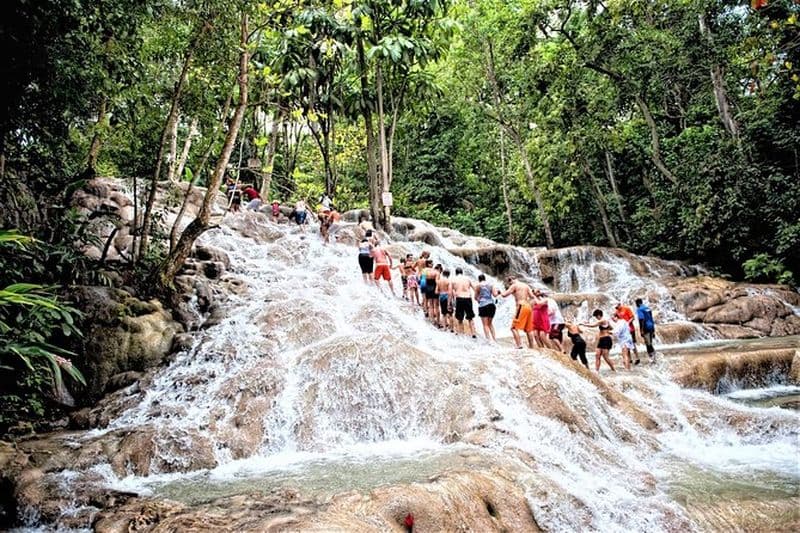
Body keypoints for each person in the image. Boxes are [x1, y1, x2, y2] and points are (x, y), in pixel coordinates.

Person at [501, 276, 535, 349]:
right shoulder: (526, 285)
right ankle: (532, 346)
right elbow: (532, 296)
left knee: (513, 328)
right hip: (528, 306)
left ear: (511, 280)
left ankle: (519, 345)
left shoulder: (514, 285)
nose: (510, 284)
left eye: (510, 283)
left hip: (521, 306)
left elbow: (504, 295)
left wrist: (500, 292)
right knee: (528, 329)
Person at [451, 268, 477, 337]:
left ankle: (462, 334)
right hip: (468, 298)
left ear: (456, 273)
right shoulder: (468, 279)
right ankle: (473, 334)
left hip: (459, 298)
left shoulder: (454, 280)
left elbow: (451, 292)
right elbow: (475, 288)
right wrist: (477, 297)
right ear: (462, 272)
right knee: (470, 318)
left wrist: (450, 301)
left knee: (460, 318)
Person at [474, 274, 499, 341]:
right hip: (491, 305)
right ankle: (494, 339)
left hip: (483, 305)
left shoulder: (478, 286)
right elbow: (495, 295)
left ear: (479, 279)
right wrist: (498, 292)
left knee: (485, 325)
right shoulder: (491, 285)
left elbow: (475, 297)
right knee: (490, 324)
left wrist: (479, 301)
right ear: (485, 279)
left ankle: (489, 340)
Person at [636, 298, 657, 363]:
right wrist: (653, 330)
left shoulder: (639, 309)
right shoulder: (647, 308)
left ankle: (652, 357)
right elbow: (651, 318)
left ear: (638, 303)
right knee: (650, 342)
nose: (636, 305)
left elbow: (641, 320)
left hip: (645, 328)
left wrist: (641, 330)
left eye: (636, 304)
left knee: (648, 343)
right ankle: (653, 356)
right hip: (651, 326)